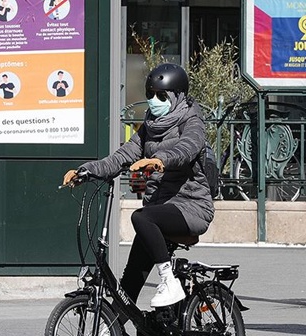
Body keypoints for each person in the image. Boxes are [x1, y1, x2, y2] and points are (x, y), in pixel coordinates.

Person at [62, 63, 214, 308]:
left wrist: (159, 160)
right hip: (159, 208)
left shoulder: (191, 122)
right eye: (150, 94)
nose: (154, 100)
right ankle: (110, 326)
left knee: (141, 218)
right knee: (130, 284)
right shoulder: (150, 127)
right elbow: (121, 157)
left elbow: (186, 149)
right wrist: (86, 171)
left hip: (190, 206)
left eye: (162, 95)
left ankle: (169, 282)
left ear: (177, 96)